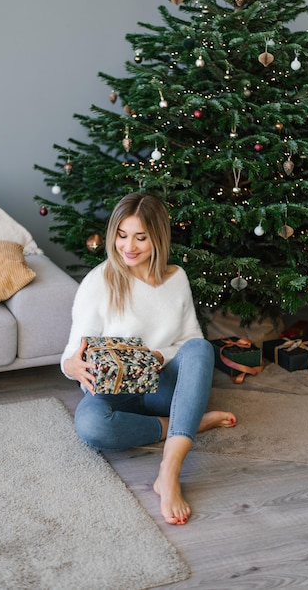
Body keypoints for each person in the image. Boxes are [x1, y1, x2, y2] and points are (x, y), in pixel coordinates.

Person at [61, 193, 236, 525]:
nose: (129, 246)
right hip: (114, 391)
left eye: (140, 237)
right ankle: (187, 424)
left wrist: (159, 355)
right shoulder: (99, 281)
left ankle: (169, 472)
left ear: (158, 237)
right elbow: (72, 352)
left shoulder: (177, 278)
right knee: (91, 426)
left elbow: (190, 341)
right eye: (122, 235)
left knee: (201, 350)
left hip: (162, 388)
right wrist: (71, 365)